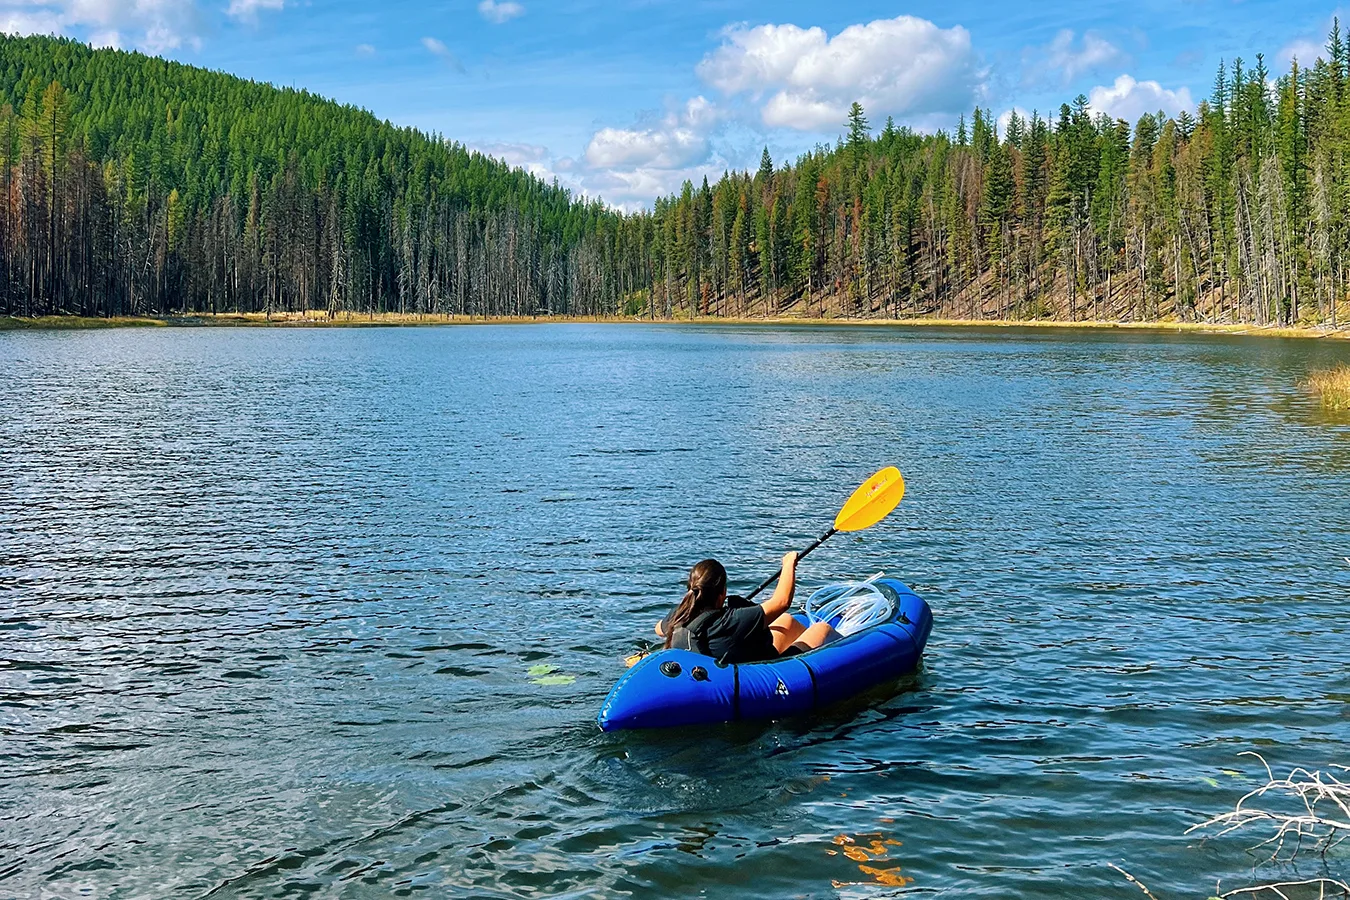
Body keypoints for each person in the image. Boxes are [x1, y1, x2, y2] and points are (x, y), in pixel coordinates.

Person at [654, 552, 837, 664]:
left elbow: (659, 629)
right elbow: (782, 602)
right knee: (822, 629)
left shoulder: (680, 614)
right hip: (759, 674)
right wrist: (788, 564)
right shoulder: (732, 621)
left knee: (786, 621)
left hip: (720, 665)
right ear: (722, 593)